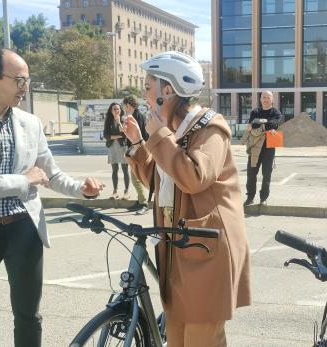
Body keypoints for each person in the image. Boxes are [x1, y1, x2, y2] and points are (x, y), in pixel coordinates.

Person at [0, 47, 104, 347]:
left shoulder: (31, 123)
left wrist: (82, 189)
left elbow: (50, 174)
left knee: (29, 316)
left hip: (24, 229)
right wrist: (22, 181)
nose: (25, 87)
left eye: (27, 80)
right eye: (20, 79)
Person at [121, 51, 251, 347]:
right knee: (176, 338)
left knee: (201, 340)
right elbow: (159, 179)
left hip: (206, 250)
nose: (143, 93)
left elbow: (194, 177)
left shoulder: (210, 128)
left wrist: (158, 137)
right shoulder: (174, 132)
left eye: (147, 86)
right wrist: (139, 143)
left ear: (166, 91)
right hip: (179, 248)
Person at [243, 91, 282, 206]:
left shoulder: (276, 112)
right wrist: (266, 126)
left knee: (266, 174)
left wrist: (258, 124)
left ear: (272, 99)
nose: (265, 99)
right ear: (260, 99)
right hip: (255, 147)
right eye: (263, 97)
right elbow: (251, 125)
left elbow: (274, 122)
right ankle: (250, 197)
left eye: (268, 98)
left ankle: (263, 198)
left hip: (269, 147)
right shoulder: (255, 111)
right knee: (251, 173)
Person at [122, 95, 150, 215]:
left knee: (136, 179)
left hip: (139, 150)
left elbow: (141, 136)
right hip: (138, 149)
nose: (124, 108)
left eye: (125, 106)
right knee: (136, 178)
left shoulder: (136, 117)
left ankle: (144, 203)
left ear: (128, 105)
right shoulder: (136, 116)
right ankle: (140, 201)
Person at [103, 102, 131, 200]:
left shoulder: (124, 119)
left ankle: (126, 191)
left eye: (118, 109)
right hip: (112, 147)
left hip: (122, 147)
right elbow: (106, 136)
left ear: (120, 110)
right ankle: (115, 191)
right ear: (111, 110)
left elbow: (125, 134)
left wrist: (119, 122)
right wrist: (117, 136)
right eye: (114, 109)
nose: (116, 111)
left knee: (125, 170)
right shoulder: (108, 121)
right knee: (114, 170)